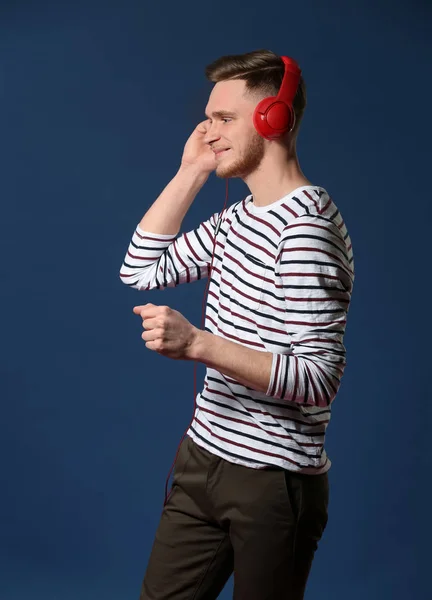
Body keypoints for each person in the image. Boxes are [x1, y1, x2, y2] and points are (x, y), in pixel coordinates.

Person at [119, 49, 354, 600]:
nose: (208, 130)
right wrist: (191, 170)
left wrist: (198, 343)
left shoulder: (305, 231)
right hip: (204, 460)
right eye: (208, 117)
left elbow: (317, 379)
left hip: (272, 485)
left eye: (224, 119)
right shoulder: (239, 216)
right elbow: (141, 269)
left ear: (275, 118)